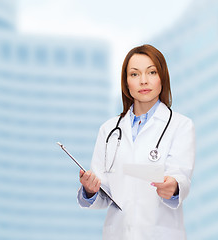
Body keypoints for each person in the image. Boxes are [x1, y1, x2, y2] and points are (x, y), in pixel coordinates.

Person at [77, 44, 195, 240]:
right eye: (134, 74)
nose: (143, 81)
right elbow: (104, 194)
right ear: (126, 82)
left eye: (151, 72)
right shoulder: (109, 130)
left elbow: (180, 177)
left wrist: (173, 187)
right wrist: (90, 190)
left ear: (162, 78)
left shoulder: (181, 126)